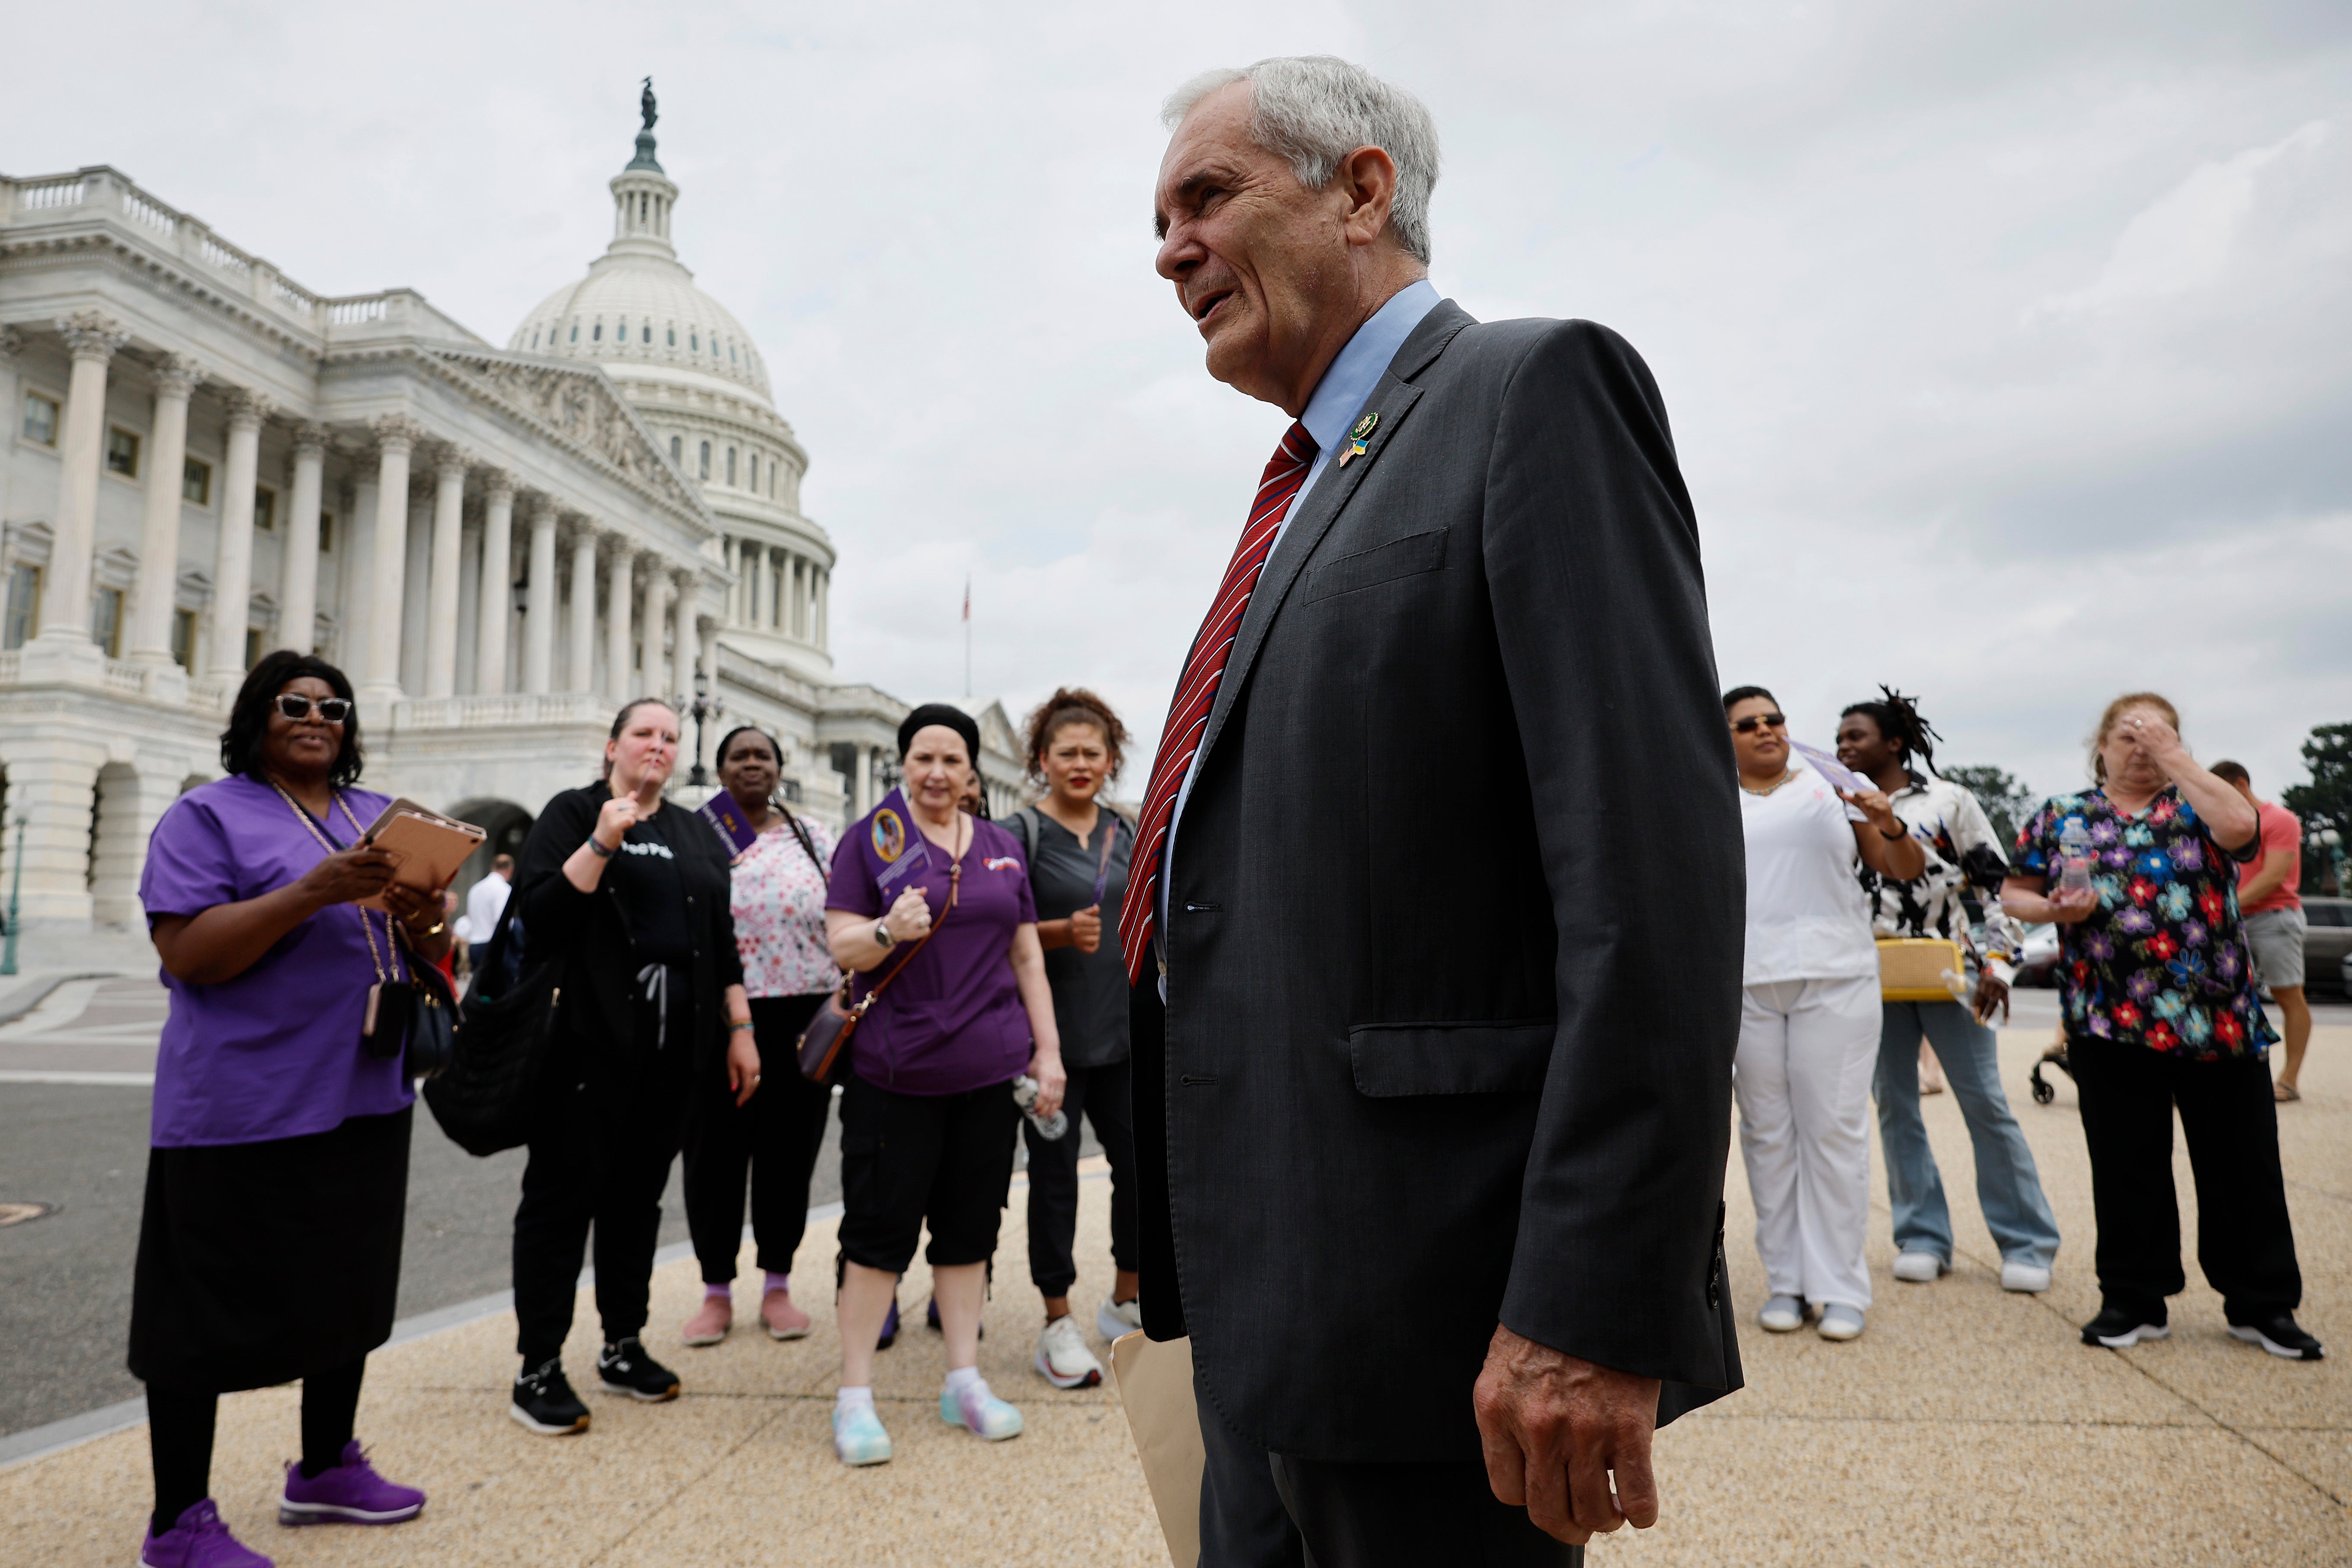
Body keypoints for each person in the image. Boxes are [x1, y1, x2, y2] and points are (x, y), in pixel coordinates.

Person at [1131, 57, 1745, 1563]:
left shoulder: (1528, 391)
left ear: (1359, 189)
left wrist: (1589, 1304)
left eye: (1204, 197)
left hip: (1441, 1326)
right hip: (1262, 1308)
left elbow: (1647, 887)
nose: (1165, 250)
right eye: (1156, 219)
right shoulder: (1303, 486)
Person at [132, 651, 445, 1567]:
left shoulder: (370, 813)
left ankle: (322, 1468)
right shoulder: (205, 814)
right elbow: (188, 952)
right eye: (294, 703)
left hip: (361, 1087)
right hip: (241, 1101)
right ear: (255, 715)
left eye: (333, 705)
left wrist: (425, 909)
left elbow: (412, 938)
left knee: (347, 1286)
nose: (316, 716)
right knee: (198, 1312)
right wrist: (311, 891)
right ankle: (178, 1519)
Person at [2003, 696, 2321, 1360]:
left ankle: (2261, 1304)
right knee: (2125, 1165)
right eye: (2128, 734)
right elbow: (2013, 893)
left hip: (2216, 1017)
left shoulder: (2199, 803)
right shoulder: (2065, 813)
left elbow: (2242, 829)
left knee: (2242, 1165)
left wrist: (2175, 757)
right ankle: (2131, 1298)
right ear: (2100, 744)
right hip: (2108, 1018)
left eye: (2157, 733)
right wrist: (2055, 909)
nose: (2141, 745)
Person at [821, 703, 1067, 1466]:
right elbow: (841, 945)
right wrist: (888, 928)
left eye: (951, 761)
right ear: (904, 766)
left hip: (988, 1076)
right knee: (877, 1239)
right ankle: (854, 1395)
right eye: (923, 758)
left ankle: (963, 1379)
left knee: (969, 1235)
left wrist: (1047, 1053)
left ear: (971, 774)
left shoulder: (999, 848)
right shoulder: (870, 843)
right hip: (896, 1075)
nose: (936, 773)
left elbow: (1026, 957)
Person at [506, 699, 758, 1434]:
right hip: (585, 1052)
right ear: (613, 745)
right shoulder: (574, 812)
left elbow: (719, 937)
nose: (658, 746)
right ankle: (539, 1367)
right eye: (644, 734)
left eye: (670, 738)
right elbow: (538, 919)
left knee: (636, 1205)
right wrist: (601, 842)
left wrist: (739, 1029)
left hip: (674, 1056)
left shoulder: (688, 828)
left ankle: (622, 1344)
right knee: (559, 1207)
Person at [1834, 690, 2061, 1294]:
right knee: (1895, 1109)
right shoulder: (1835, 807)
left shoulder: (1948, 800)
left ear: (1894, 742)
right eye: (1838, 738)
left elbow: (1996, 887)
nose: (1843, 746)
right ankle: (1921, 1236)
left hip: (1951, 972)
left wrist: (2000, 964)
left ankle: (2026, 1241)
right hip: (1870, 978)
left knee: (1984, 1104)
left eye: (1855, 735)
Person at [1726, 688, 1925, 1347]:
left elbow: (1899, 865)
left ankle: (1839, 1288)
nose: (1765, 730)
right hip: (1745, 983)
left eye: (1773, 718)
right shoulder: (1705, 792)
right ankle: (1787, 1282)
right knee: (1767, 1136)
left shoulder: (1828, 780)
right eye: (1746, 724)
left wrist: (1886, 819)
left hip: (1834, 979)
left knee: (1832, 1134)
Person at [679, 727, 839, 1345]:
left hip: (802, 1016)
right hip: (718, 1017)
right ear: (720, 769)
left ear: (779, 769)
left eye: (762, 756)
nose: (752, 764)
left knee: (788, 1153)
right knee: (714, 1155)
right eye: (739, 756)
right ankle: (715, 1290)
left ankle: (778, 1282)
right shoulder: (698, 835)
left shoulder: (811, 835)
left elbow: (842, 910)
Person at [1006, 688, 1141, 1391]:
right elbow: (994, 932)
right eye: (1068, 753)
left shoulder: (1128, 829)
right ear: (1042, 760)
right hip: (1048, 1044)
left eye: (1093, 753)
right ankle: (1056, 1320)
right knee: (1053, 1183)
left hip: (1121, 1036)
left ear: (1110, 761)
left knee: (1141, 1170)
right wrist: (1059, 933)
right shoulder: (1019, 834)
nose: (1081, 763)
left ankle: (1125, 1297)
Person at [2211, 760, 2310, 1102]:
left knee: (2288, 995)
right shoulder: (2222, 826)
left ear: (2240, 785)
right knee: (2224, 997)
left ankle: (2290, 1078)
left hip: (2274, 917)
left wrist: (2225, 907)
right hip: (2234, 920)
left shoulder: (2278, 820)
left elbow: (2272, 877)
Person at [458, 853, 514, 945]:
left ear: (493, 867)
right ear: (511, 870)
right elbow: (502, 920)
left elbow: (469, 918)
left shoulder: (476, 888)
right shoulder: (504, 889)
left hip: (474, 944)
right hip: (491, 944)